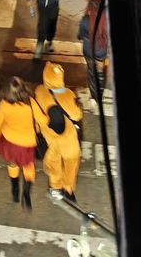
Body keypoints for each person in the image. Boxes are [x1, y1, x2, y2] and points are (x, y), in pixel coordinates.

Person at [0, 76, 43, 209]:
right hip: (27, 143)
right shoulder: (30, 103)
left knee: (12, 163)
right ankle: (26, 192)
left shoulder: (4, 104)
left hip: (9, 141)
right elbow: (43, 121)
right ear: (24, 89)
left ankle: (15, 190)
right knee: (28, 166)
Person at [34, 62, 82, 201]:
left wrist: (37, 131)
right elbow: (76, 115)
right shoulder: (67, 94)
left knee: (53, 163)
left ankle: (56, 188)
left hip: (50, 137)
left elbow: (37, 113)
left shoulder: (39, 91)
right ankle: (68, 189)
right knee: (71, 163)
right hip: (68, 139)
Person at [78, 0, 109, 111]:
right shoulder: (107, 15)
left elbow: (80, 34)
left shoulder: (86, 19)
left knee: (91, 72)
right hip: (100, 49)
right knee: (100, 72)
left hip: (88, 48)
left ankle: (92, 98)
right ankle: (99, 97)